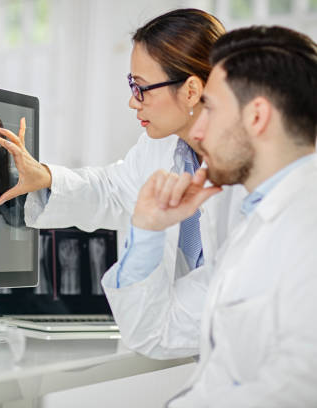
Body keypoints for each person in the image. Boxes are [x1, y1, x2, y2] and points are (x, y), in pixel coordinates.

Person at [0, 8, 244, 353]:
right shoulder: (164, 147)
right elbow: (113, 189)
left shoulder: (251, 179)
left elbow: (158, 329)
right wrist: (44, 177)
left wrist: (146, 239)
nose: (132, 101)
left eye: (141, 88)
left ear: (191, 90)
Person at [105, 25, 317, 406]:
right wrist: (148, 232)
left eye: (212, 109)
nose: (197, 131)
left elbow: (296, 388)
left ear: (256, 117)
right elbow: (154, 332)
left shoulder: (305, 227)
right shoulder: (253, 229)